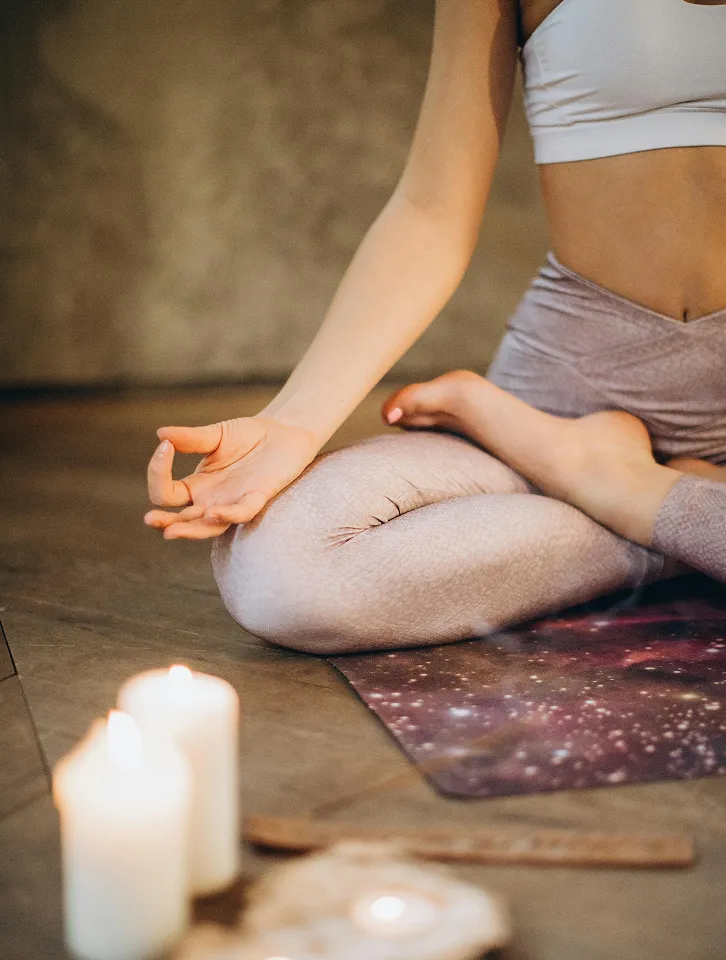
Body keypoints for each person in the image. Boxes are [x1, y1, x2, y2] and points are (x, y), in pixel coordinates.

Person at [144, 0, 726, 653]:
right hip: (563, 403)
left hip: (602, 446)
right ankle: (682, 517)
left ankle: (634, 493)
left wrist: (650, 499)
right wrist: (295, 421)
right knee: (277, 568)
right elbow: (432, 211)